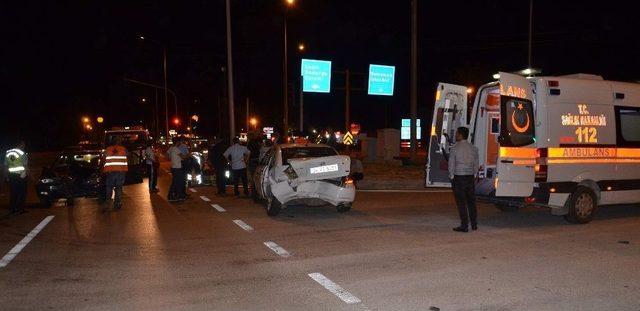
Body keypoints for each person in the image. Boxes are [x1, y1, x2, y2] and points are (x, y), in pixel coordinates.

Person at [448, 127, 480, 232]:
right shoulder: (474, 148)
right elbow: (476, 164)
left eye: (457, 133)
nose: (456, 135)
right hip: (470, 177)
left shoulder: (454, 148)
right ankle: (474, 224)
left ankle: (464, 225)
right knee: (471, 202)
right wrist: (474, 174)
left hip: (459, 177)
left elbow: (451, 164)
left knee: (461, 203)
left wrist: (451, 176)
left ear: (461, 135)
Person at [103, 137, 128, 210]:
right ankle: (117, 204)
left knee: (109, 187)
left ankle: (107, 202)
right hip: (120, 171)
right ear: (119, 142)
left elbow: (103, 160)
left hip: (110, 171)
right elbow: (128, 156)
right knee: (118, 188)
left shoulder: (107, 150)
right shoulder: (124, 149)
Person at [4, 141, 28, 215]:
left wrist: (6, 176)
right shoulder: (21, 153)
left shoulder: (8, 153)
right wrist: (26, 173)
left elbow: (5, 165)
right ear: (21, 145)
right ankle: (20, 209)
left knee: (13, 192)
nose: (24, 146)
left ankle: (12, 209)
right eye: (23, 145)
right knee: (22, 192)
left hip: (12, 175)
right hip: (21, 175)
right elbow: (25, 165)